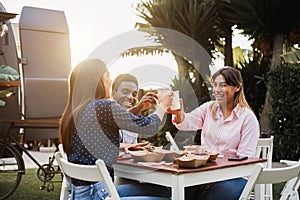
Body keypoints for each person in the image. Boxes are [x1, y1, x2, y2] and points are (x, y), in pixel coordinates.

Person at [59, 59, 172, 200]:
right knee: (167, 197)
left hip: (80, 194)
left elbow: (95, 141)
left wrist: (137, 110)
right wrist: (162, 106)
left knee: (162, 191)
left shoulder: (73, 113)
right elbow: (149, 126)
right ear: (98, 81)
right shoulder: (104, 106)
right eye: (107, 77)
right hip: (100, 194)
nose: (110, 81)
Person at [169, 66, 260, 200]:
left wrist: (216, 176)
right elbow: (187, 122)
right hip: (205, 173)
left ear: (237, 87)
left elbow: (244, 160)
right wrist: (179, 113)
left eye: (223, 85)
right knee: (182, 191)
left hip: (235, 176)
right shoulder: (208, 109)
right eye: (215, 85)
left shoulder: (247, 119)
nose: (217, 90)